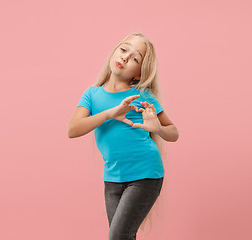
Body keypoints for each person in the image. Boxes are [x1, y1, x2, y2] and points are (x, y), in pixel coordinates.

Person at [68, 32, 179, 240]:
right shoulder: (92, 95)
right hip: (112, 178)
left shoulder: (142, 96)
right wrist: (111, 113)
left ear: (138, 74)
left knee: (118, 236)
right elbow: (73, 129)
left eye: (135, 58)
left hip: (145, 175)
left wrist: (158, 128)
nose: (126, 57)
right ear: (114, 53)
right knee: (123, 236)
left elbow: (173, 133)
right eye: (124, 49)